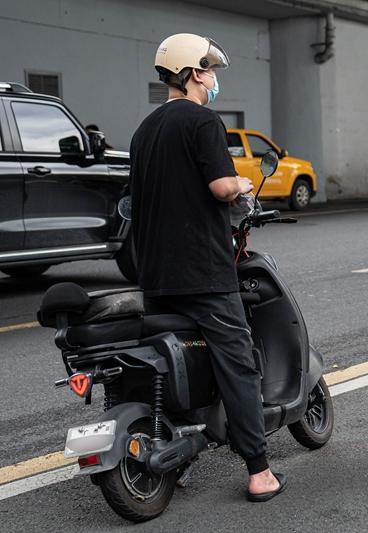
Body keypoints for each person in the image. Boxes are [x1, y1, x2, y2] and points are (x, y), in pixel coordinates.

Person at [129, 33, 286, 502]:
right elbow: (220, 187)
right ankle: (259, 471)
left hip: (154, 274)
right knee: (237, 361)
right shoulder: (202, 121)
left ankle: (175, 462)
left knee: (175, 361)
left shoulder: (144, 130)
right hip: (202, 271)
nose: (214, 79)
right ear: (196, 73)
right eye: (211, 71)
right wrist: (240, 179)